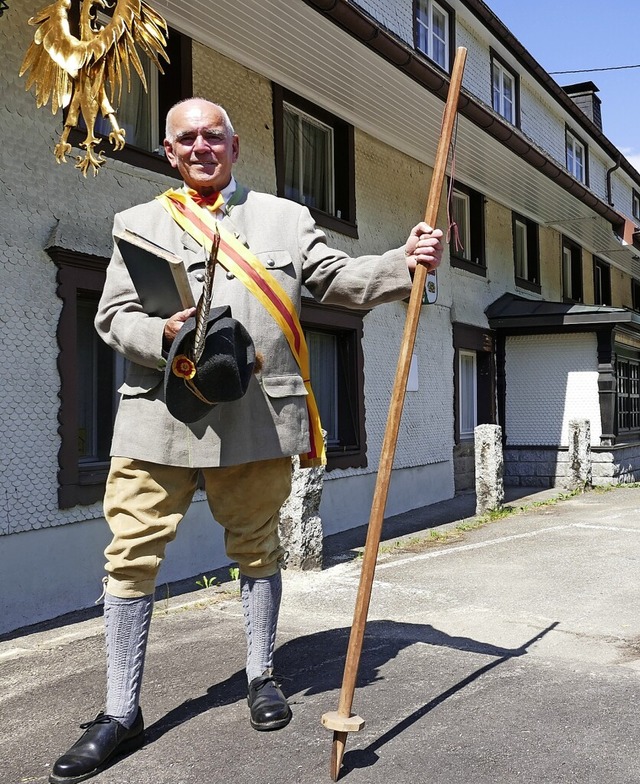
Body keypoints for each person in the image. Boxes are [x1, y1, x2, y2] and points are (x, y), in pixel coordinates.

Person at [49, 97, 444, 784]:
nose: (201, 147)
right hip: (159, 416)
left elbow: (340, 282)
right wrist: (161, 334)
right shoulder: (138, 223)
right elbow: (112, 318)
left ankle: (263, 675)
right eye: (186, 139)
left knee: (258, 546)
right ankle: (119, 711)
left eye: (213, 136)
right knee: (130, 555)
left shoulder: (285, 220)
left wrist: (402, 261)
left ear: (234, 145)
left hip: (257, 415)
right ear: (170, 153)